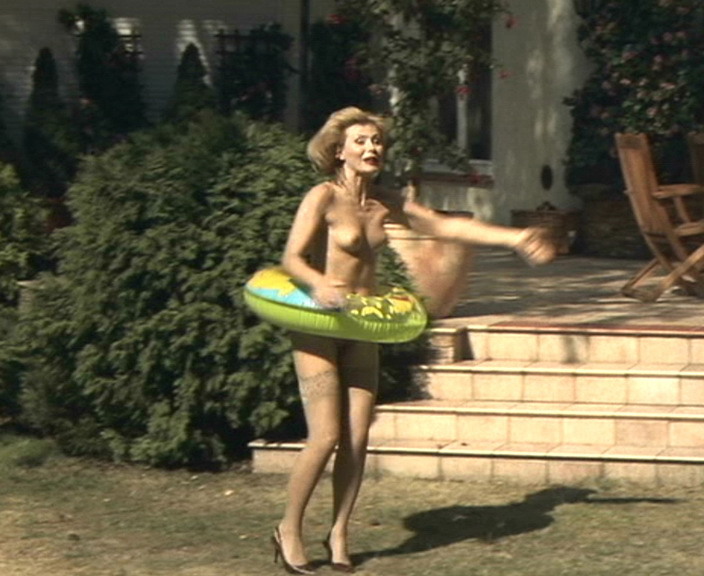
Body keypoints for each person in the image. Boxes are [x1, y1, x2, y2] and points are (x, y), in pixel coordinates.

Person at [272, 107, 554, 574]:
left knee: (357, 437)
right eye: (361, 141)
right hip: (318, 328)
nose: (372, 148)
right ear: (339, 151)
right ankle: (289, 529)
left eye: (377, 141)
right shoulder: (322, 198)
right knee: (325, 436)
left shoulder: (385, 203)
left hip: (360, 326)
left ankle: (339, 532)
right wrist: (318, 283)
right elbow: (291, 258)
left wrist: (516, 236)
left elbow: (446, 226)